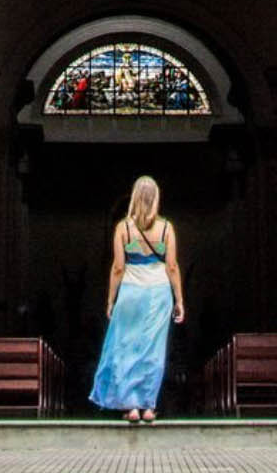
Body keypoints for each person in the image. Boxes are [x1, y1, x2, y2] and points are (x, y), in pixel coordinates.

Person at [89, 174, 185, 422]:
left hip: (131, 291)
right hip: (159, 294)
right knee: (153, 351)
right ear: (156, 199)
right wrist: (179, 300)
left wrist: (111, 299)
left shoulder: (123, 228)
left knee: (126, 348)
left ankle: (131, 406)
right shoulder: (166, 228)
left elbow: (118, 267)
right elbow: (172, 266)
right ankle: (149, 407)